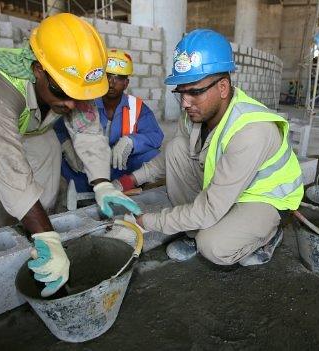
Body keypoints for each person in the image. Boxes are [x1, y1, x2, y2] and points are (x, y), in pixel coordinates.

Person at [0, 13, 141, 297]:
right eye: (63, 91)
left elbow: (87, 132)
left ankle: (33, 231)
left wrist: (102, 183)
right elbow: (6, 161)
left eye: (80, 95)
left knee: (47, 151)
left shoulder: (66, 84)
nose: (72, 103)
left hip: (27, 109)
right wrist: (47, 233)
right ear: (38, 70)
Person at [116, 29, 304, 266]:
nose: (185, 103)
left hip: (263, 197)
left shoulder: (252, 130)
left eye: (194, 92)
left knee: (213, 246)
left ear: (223, 88)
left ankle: (268, 234)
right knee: (176, 148)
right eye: (181, 92)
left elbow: (210, 208)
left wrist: (144, 222)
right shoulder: (195, 113)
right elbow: (169, 159)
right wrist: (131, 180)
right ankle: (194, 233)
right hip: (229, 187)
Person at [54, 48, 164, 192]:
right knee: (57, 157)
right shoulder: (86, 101)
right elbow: (58, 127)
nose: (111, 83)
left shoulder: (136, 106)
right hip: (87, 165)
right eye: (108, 76)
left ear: (126, 83)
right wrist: (66, 144)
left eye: (118, 78)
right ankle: (85, 194)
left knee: (153, 155)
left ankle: (128, 184)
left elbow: (156, 135)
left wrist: (132, 141)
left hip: (121, 165)